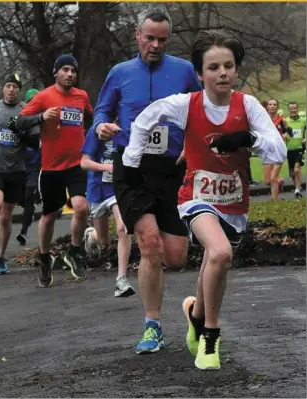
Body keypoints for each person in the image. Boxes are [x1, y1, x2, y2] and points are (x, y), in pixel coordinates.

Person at [121, 30, 287, 369]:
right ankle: (211, 337)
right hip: (195, 198)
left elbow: (278, 150)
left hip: (234, 203)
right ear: (200, 74)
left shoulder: (248, 105)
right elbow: (144, 120)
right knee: (220, 252)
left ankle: (195, 315)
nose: (222, 73)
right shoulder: (187, 104)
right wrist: (131, 160)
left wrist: (249, 138)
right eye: (213, 67)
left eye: (228, 66)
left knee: (216, 263)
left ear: (236, 70)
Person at [93, 5, 201, 354]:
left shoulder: (184, 71)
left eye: (162, 39)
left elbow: (200, 111)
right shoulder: (121, 72)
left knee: (176, 258)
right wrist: (101, 126)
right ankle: (152, 326)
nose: (155, 45)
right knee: (149, 242)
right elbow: (102, 109)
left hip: (172, 169)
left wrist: (193, 147)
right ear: (137, 36)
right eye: (149, 38)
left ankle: (191, 311)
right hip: (132, 167)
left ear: (168, 39)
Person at [16, 54, 93, 287]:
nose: (70, 74)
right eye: (65, 70)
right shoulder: (44, 97)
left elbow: (91, 116)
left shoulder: (81, 96)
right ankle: (44, 256)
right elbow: (19, 122)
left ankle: (74, 250)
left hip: (76, 163)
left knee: (81, 207)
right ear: (56, 72)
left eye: (73, 71)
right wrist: (41, 116)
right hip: (51, 167)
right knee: (49, 215)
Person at [0, 74, 39, 274]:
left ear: (19, 91)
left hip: (16, 169)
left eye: (15, 87)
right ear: (3, 89)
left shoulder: (25, 111)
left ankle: (1, 257)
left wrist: (22, 133)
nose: (11, 90)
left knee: (6, 216)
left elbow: (35, 142)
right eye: (8, 86)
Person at [81, 126, 135, 297]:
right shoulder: (97, 130)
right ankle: (91, 236)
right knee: (103, 240)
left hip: (116, 189)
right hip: (97, 189)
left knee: (122, 228)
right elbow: (84, 162)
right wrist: (108, 168)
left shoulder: (127, 128)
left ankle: (121, 279)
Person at [16, 89, 41, 246]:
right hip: (20, 164)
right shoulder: (23, 118)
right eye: (30, 100)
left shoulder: (42, 120)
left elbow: (36, 142)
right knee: (20, 198)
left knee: (30, 192)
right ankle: (29, 211)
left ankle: (24, 230)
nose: (34, 103)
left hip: (37, 164)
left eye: (36, 100)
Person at [262, 98, 287, 200]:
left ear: (277, 107)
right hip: (267, 151)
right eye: (270, 104)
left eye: (274, 104)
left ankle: (275, 201)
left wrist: (285, 136)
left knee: (273, 178)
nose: (272, 106)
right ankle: (280, 181)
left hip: (279, 151)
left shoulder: (282, 120)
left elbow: (287, 132)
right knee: (268, 181)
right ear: (267, 107)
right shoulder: (263, 120)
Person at [285, 102, 306, 199]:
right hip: (289, 149)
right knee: (292, 173)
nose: (293, 110)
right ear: (289, 110)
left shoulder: (303, 120)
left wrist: (305, 138)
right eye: (291, 109)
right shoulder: (286, 121)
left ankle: (297, 190)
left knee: (297, 169)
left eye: (295, 108)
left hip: (300, 148)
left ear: (297, 109)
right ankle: (297, 186)